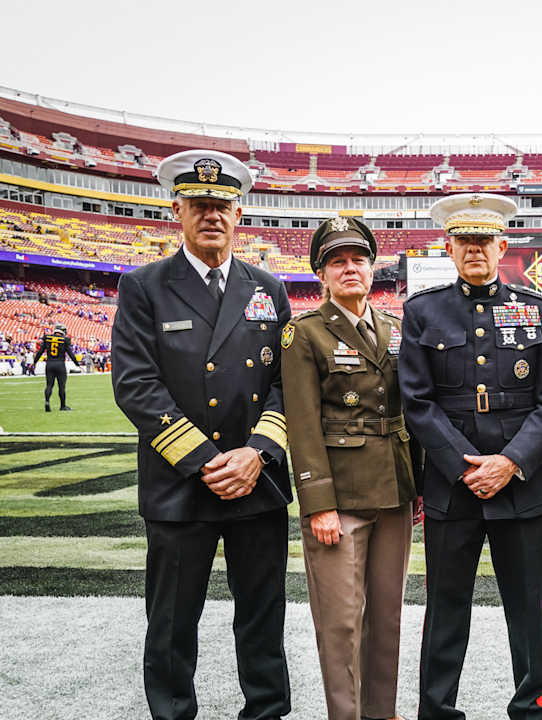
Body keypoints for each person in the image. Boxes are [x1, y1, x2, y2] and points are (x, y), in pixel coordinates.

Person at [110, 150, 292, 720]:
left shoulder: (269, 286)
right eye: (200, 205)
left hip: (256, 481)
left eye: (223, 205)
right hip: (181, 483)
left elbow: (289, 383)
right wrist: (207, 460)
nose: (212, 215)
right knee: (170, 620)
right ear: (177, 212)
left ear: (240, 214)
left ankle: (265, 712)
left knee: (263, 616)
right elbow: (135, 384)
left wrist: (257, 454)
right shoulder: (143, 286)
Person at [400, 193, 542, 720]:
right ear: (448, 246)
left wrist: (509, 462)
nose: (474, 248)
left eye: (484, 239)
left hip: (523, 485)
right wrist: (468, 465)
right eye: (464, 239)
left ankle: (532, 708)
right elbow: (418, 404)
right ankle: (437, 709)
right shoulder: (421, 311)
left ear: (503, 245)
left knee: (526, 610)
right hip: (454, 489)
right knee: (445, 609)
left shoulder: (538, 312)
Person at [281, 216, 415, 720]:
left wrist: (416, 486)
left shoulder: (392, 329)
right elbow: (302, 425)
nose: (350, 268)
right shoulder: (305, 334)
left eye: (358, 259)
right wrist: (319, 504)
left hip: (395, 494)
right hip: (338, 501)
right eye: (337, 261)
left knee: (387, 618)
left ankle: (382, 712)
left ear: (373, 267)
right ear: (322, 273)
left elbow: (408, 413)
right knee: (340, 625)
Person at [34, 322, 72, 411]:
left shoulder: (48, 338)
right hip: (60, 364)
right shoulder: (64, 340)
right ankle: (62, 406)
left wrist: (35, 362)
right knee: (61, 386)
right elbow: (70, 353)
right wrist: (77, 363)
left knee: (49, 385)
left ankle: (47, 402)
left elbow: (40, 352)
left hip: (49, 364)